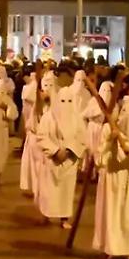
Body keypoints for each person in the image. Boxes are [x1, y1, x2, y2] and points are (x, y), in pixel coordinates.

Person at [92, 93, 129, 259]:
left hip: (126, 179)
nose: (128, 117)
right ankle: (109, 247)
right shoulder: (109, 129)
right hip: (110, 177)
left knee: (126, 214)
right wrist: (110, 142)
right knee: (110, 212)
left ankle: (127, 248)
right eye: (125, 111)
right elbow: (99, 157)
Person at [37, 81, 87, 229]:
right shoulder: (48, 117)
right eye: (63, 101)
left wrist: (70, 150)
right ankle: (45, 214)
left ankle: (64, 218)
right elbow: (42, 136)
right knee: (48, 190)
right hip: (52, 161)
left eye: (69, 101)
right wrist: (55, 151)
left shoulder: (77, 118)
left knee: (66, 191)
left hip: (69, 161)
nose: (66, 104)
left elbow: (82, 137)